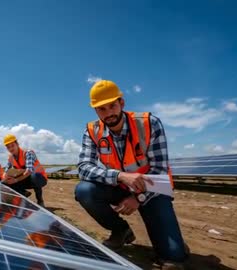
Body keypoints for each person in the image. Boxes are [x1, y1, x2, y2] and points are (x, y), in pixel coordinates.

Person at [74, 80, 188, 269]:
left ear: (122, 103)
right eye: (101, 109)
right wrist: (120, 176)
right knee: (84, 190)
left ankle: (172, 245)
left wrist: (138, 197)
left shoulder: (149, 123)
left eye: (112, 106)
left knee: (173, 258)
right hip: (119, 187)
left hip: (153, 191)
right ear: (95, 111)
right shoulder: (92, 131)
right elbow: (84, 167)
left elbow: (159, 169)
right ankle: (120, 230)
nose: (109, 113)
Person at [2, 134, 47, 207]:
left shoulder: (27, 153)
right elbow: (6, 171)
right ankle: (23, 194)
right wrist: (5, 177)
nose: (11, 149)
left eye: (12, 145)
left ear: (17, 144)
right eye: (8, 147)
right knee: (4, 182)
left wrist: (16, 180)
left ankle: (40, 200)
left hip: (40, 178)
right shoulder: (11, 158)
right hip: (26, 178)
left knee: (34, 176)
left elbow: (29, 171)